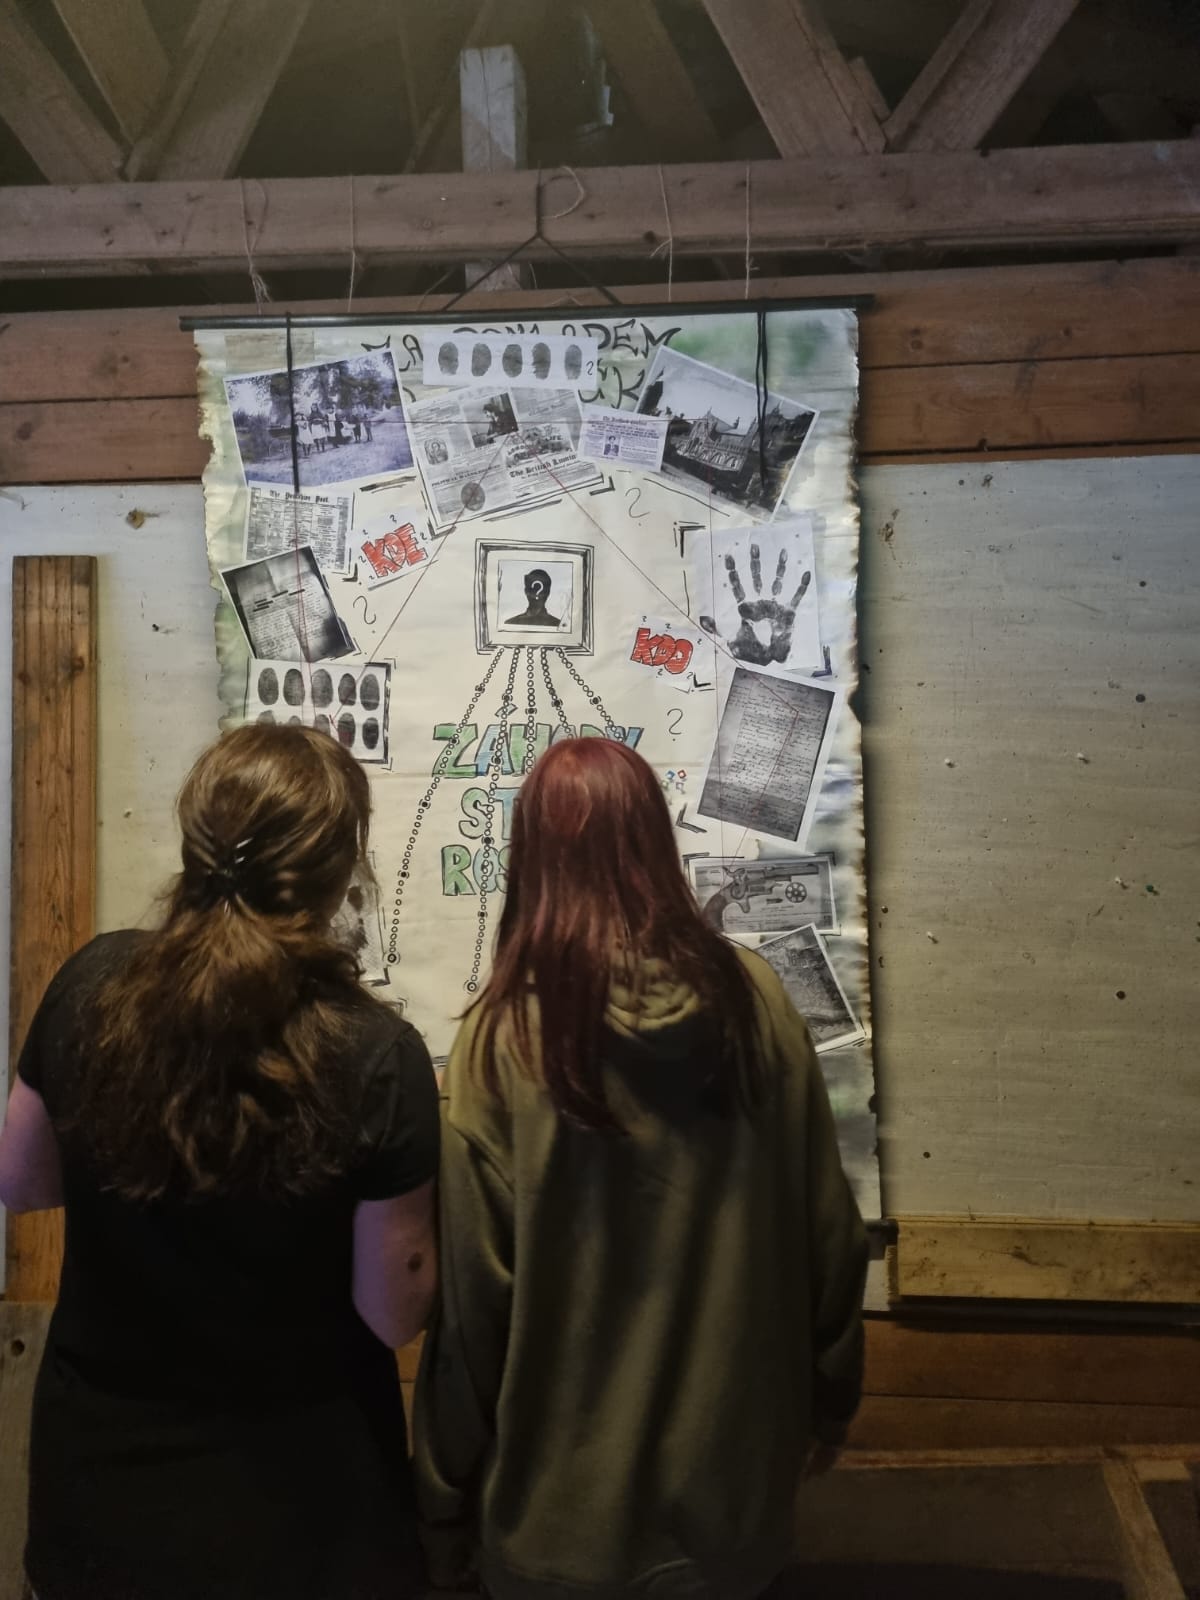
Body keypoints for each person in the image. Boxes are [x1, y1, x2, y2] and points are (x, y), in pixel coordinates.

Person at [414, 737, 867, 1600]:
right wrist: (832, 1402)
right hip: (732, 1524)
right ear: (655, 841)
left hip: (554, 1533)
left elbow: (472, 1314)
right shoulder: (758, 1003)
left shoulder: (501, 1042)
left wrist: (441, 1500)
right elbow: (832, 1238)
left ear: (532, 858)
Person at [0, 725, 439, 1600]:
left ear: (194, 843)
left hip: (102, 1499)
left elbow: (23, 1182)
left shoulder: (90, 983)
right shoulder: (376, 1053)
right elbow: (394, 1314)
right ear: (338, 871)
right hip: (302, 1517)